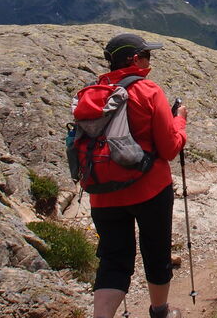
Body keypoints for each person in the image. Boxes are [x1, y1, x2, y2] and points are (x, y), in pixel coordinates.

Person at [89, 33, 187, 318]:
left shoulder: (94, 92)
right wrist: (180, 122)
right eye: (146, 55)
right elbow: (169, 149)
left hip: (103, 192)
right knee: (156, 251)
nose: (149, 60)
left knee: (113, 260)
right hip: (149, 188)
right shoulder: (148, 90)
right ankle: (160, 311)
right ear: (134, 59)